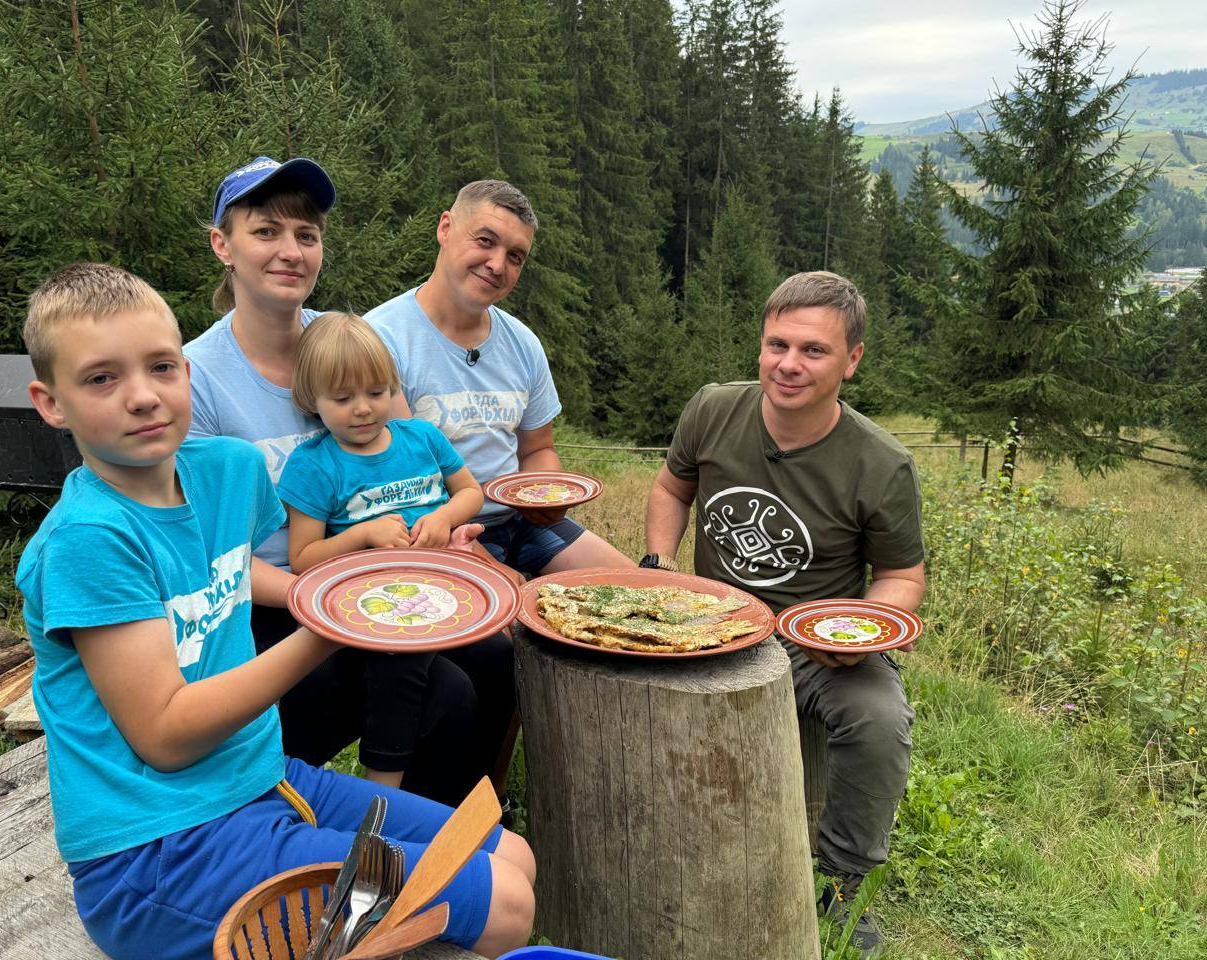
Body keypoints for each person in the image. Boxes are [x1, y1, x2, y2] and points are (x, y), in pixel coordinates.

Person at [16, 262, 535, 960]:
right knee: (505, 906)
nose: (143, 396)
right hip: (156, 851)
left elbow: (245, 571)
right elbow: (166, 734)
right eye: (102, 378)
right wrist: (331, 624)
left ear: (187, 371)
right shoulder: (88, 540)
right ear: (50, 403)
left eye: (162, 367)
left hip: (264, 781)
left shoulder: (227, 470)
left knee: (512, 856)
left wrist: (337, 587)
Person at [186, 157, 515, 803]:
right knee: (436, 691)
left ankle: (460, 824)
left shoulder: (346, 350)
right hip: (268, 606)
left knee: (495, 658)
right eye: (266, 232)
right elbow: (209, 553)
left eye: (306, 236)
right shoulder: (198, 380)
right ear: (223, 245)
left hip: (375, 580)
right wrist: (329, 598)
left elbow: (412, 465)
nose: (290, 251)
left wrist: (442, 533)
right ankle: (305, 819)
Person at [642, 270, 925, 957]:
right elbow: (671, 486)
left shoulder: (881, 463)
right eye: (777, 344)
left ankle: (840, 885)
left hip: (811, 642)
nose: (788, 364)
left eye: (813, 350)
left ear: (852, 360)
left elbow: (901, 576)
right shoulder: (713, 409)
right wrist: (657, 566)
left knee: (880, 719)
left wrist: (859, 635)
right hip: (706, 621)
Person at [278, 311, 514, 801]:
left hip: (446, 594)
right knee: (400, 663)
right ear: (311, 401)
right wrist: (361, 536)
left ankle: (478, 790)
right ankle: (380, 800)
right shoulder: (314, 464)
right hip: (373, 611)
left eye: (377, 392)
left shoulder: (420, 437)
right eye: (342, 399)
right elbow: (302, 557)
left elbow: (471, 491)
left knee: (499, 657)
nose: (362, 409)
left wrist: (446, 517)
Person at [365, 179, 632, 577]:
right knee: (524, 622)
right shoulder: (381, 339)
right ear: (445, 228)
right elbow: (406, 481)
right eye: (485, 240)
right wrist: (501, 574)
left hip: (519, 522)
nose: (497, 264)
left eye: (516, 256)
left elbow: (537, 449)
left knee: (637, 585)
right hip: (431, 528)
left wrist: (544, 496)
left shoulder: (522, 343)